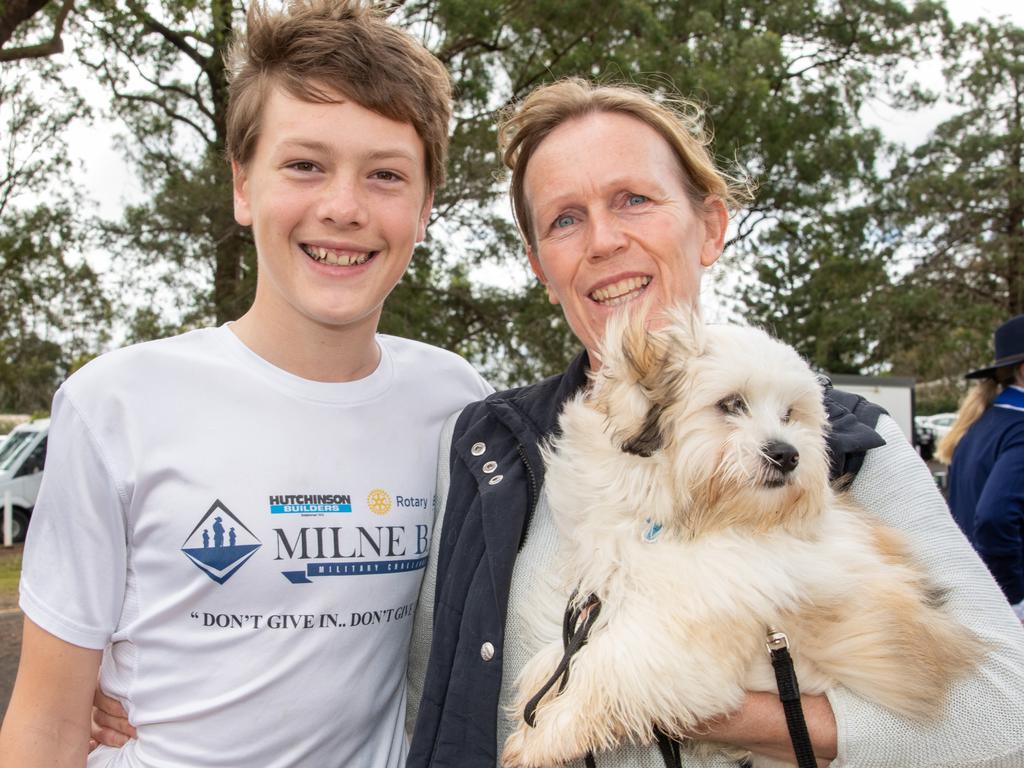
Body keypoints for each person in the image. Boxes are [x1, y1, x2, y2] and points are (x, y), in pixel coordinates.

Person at [406, 78, 1024, 767]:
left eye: (634, 199)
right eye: (565, 219)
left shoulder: (847, 443)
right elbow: (428, 696)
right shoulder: (490, 448)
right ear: (541, 267)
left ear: (710, 226)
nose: (604, 240)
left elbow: (1005, 711)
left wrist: (685, 695)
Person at [0, 2, 491, 766]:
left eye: (386, 175)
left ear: (426, 206)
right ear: (241, 183)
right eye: (304, 164)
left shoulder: (459, 407)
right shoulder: (117, 405)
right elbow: (49, 723)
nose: (343, 207)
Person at [941, 314, 1024, 620]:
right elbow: (994, 518)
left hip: (975, 593)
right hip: (1004, 603)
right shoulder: (1018, 427)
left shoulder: (980, 425)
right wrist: (1014, 599)